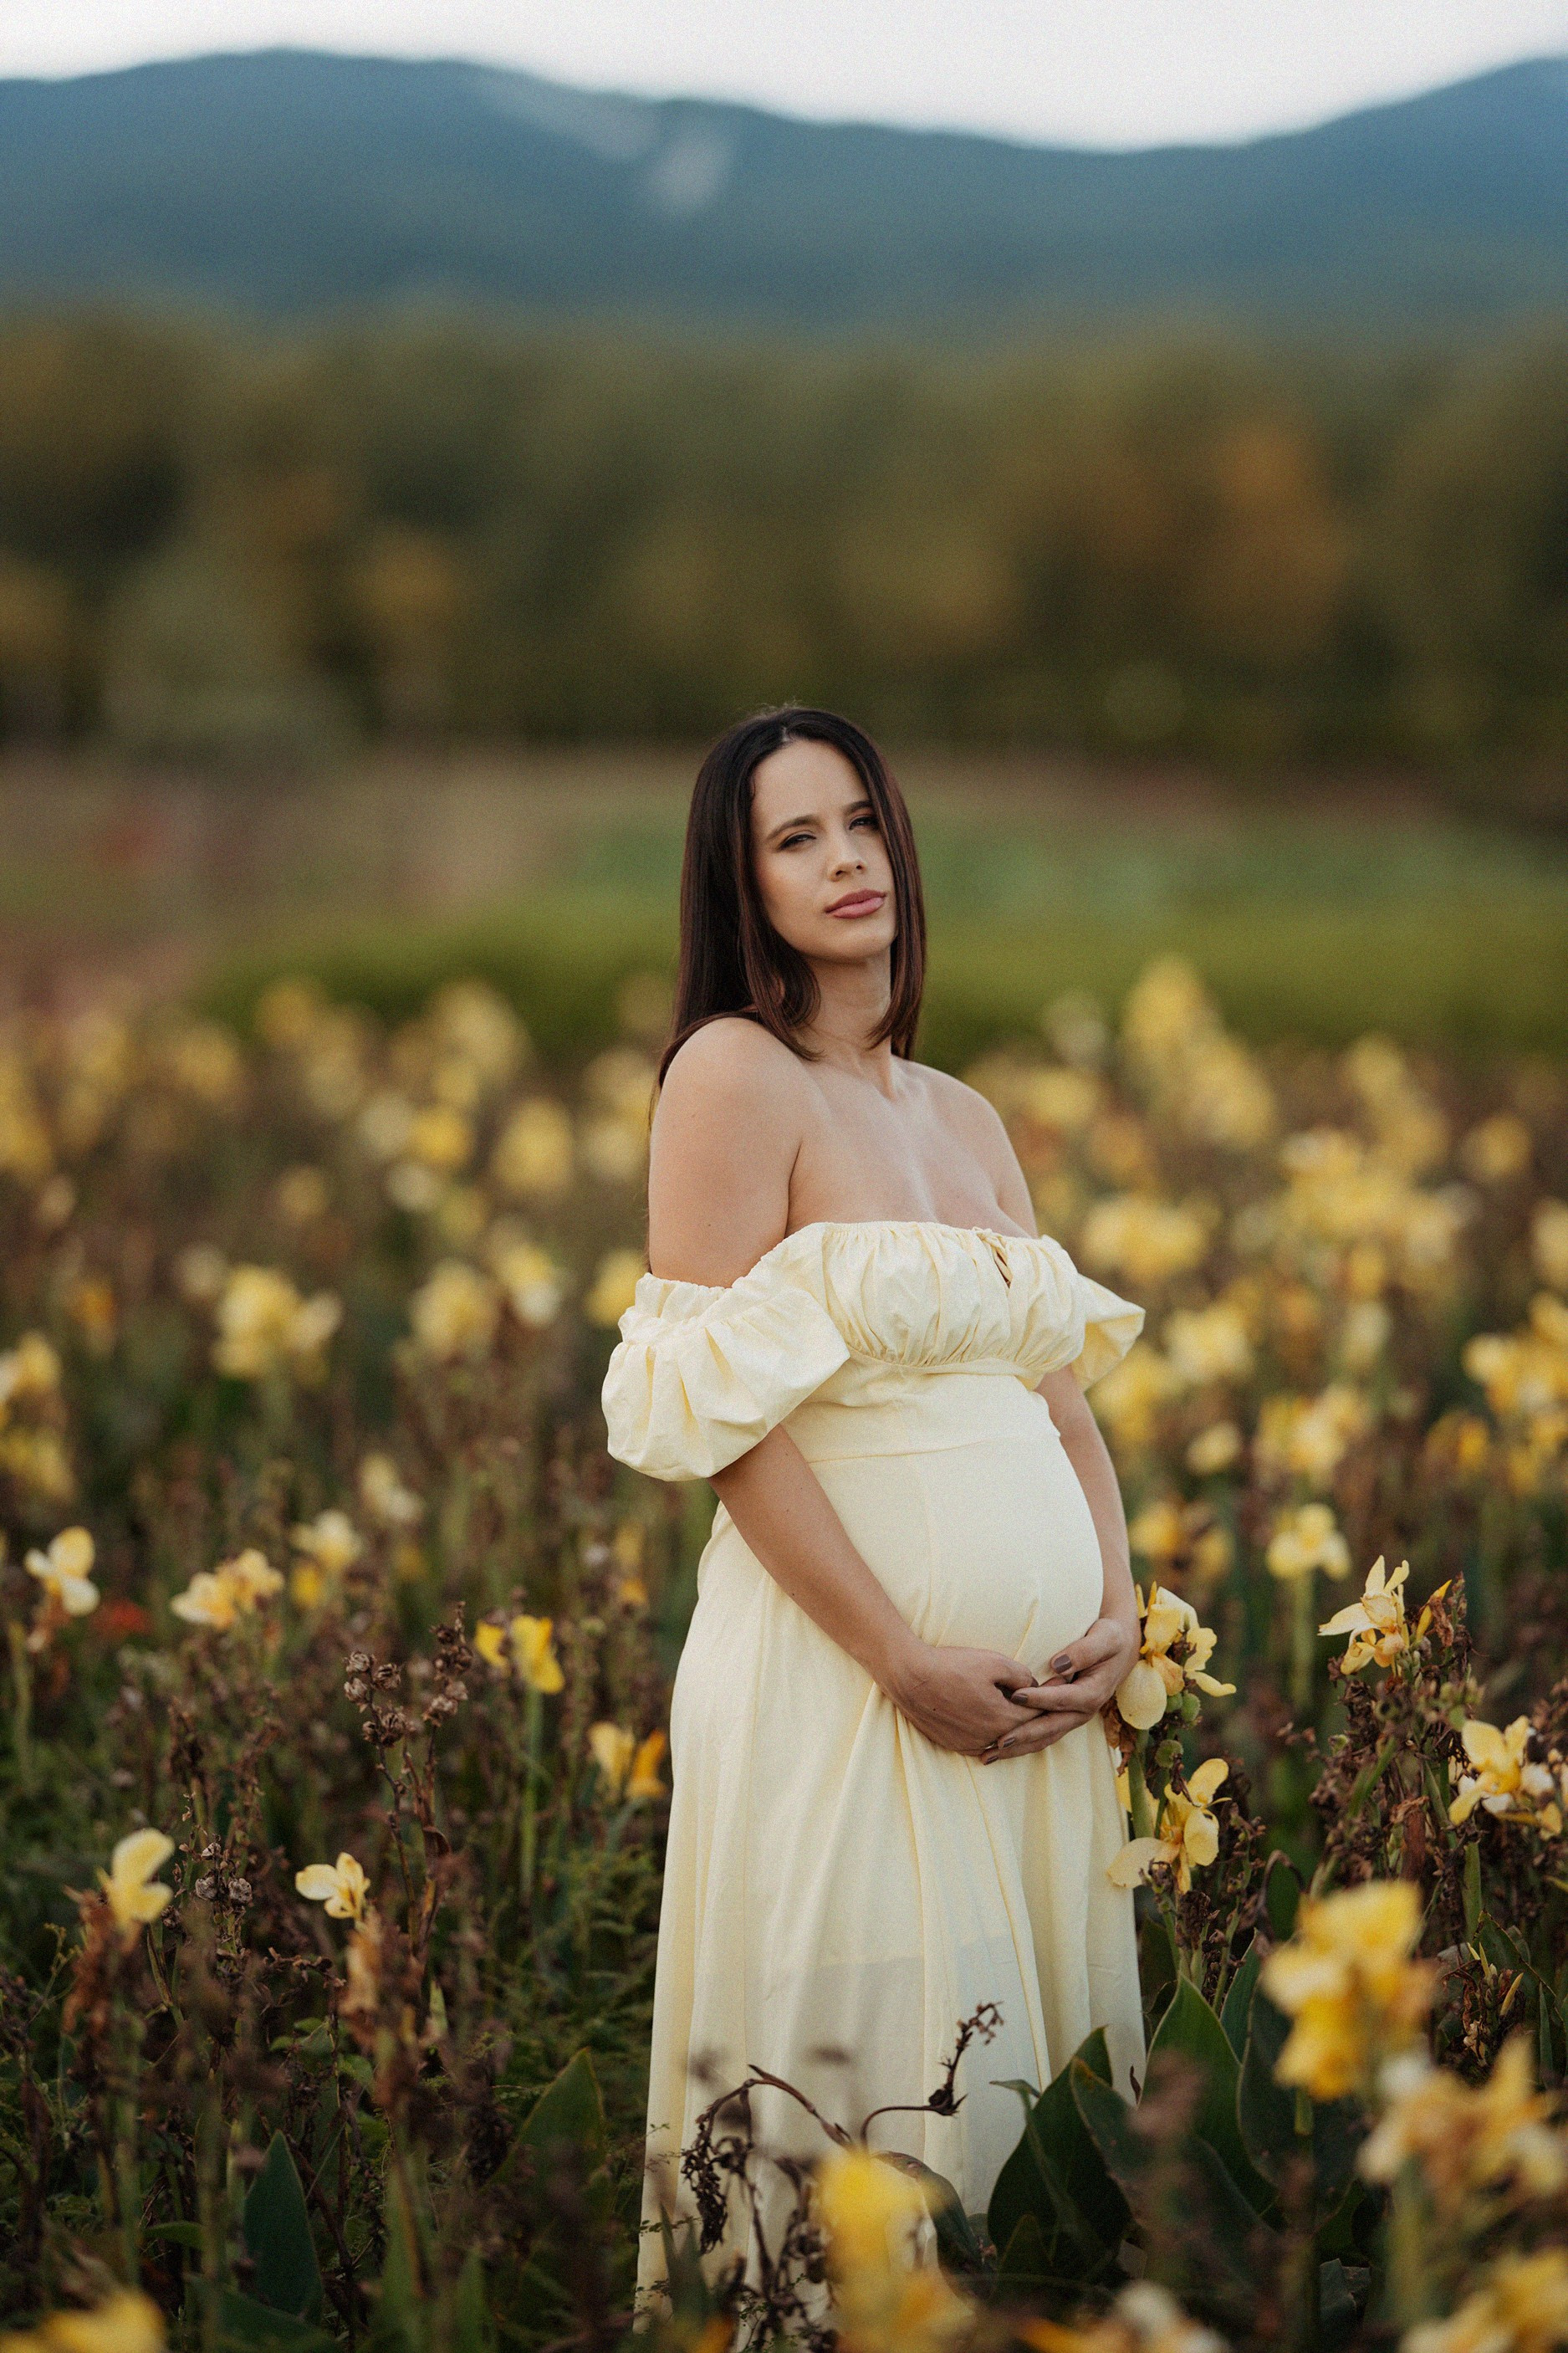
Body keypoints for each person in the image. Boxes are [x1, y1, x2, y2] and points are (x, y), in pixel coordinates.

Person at [601, 707, 1146, 2303]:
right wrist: (904, 1655)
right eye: (795, 838)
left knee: (1030, 2115)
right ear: (741, 882)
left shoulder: (963, 1115)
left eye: (860, 823)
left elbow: (1063, 1401)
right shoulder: (732, 1073)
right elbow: (723, 1421)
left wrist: (1116, 1614)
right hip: (846, 1687)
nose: (846, 860)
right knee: (883, 2101)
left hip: (1044, 1714)